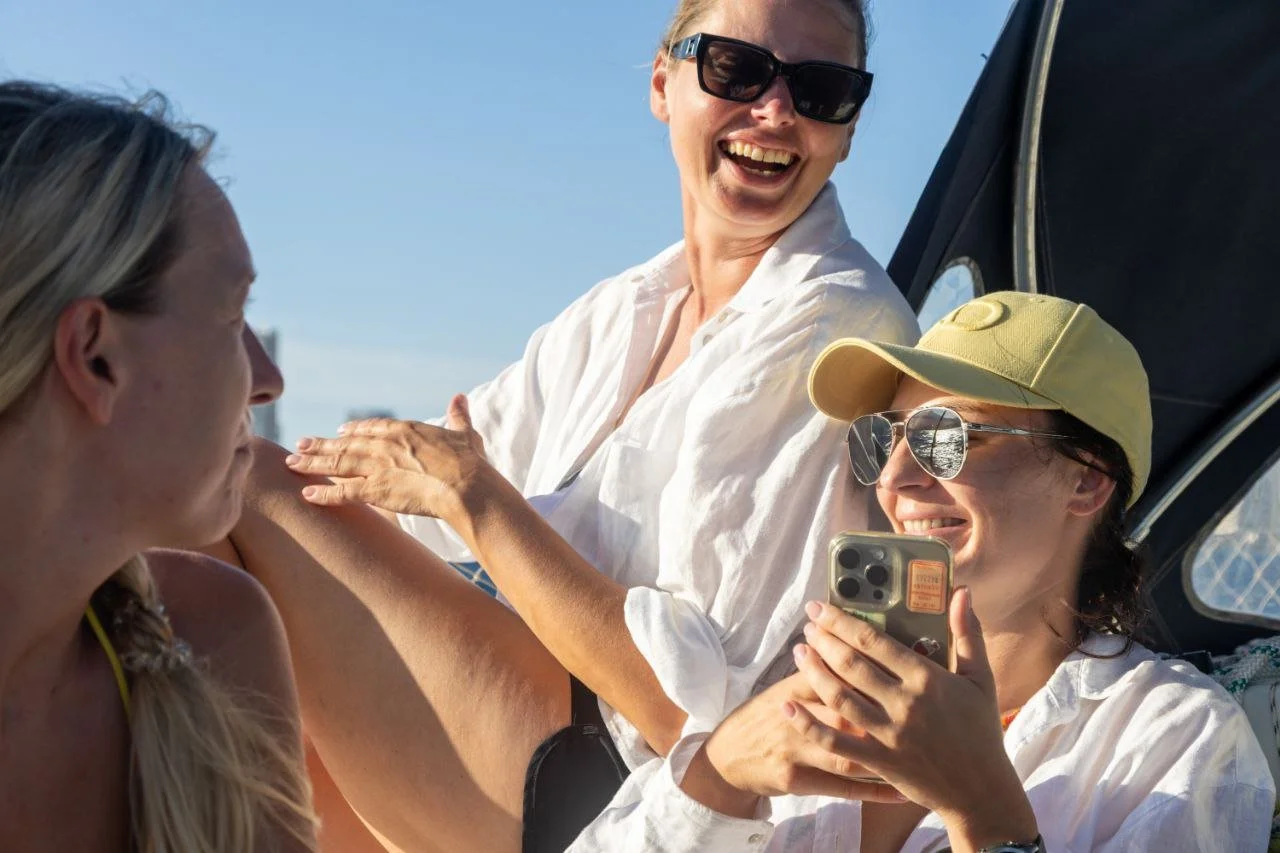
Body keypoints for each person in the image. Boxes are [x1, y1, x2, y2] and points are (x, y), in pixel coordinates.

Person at [196, 0, 919, 850]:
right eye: (737, 69)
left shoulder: (831, 326)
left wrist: (477, 500)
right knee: (204, 538)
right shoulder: (625, 309)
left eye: (821, 89)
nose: (776, 110)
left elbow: (686, 716)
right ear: (663, 83)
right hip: (537, 737)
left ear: (849, 129)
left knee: (234, 482)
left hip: (633, 785)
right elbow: (422, 479)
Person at [572, 291, 1276, 852]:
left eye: (949, 437)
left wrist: (985, 813)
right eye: (885, 438)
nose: (895, 478)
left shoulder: (1176, 738)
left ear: (1086, 481)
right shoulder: (808, 689)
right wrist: (717, 778)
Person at [0, 82, 319, 852]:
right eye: (233, 316)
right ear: (95, 356)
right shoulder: (203, 644)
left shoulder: (218, 635)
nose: (268, 378)